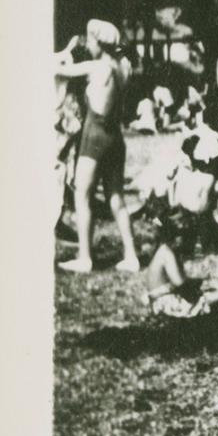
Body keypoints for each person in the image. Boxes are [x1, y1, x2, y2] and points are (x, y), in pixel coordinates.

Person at [54, 21, 143, 273]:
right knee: (116, 197)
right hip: (115, 137)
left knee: (82, 195)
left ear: (98, 42)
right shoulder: (122, 67)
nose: (88, 45)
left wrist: (64, 52)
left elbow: (62, 71)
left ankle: (85, 257)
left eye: (90, 41)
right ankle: (132, 256)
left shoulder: (97, 66)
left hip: (95, 136)